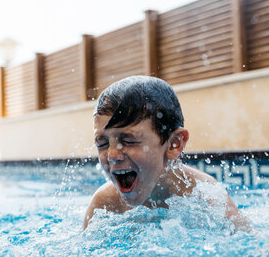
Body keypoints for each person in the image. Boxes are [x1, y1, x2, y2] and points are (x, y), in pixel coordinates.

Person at [83, 75, 250, 231]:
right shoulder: (105, 203)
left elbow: (249, 242)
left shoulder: (206, 197)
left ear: (174, 144)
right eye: (102, 143)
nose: (112, 155)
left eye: (129, 141)